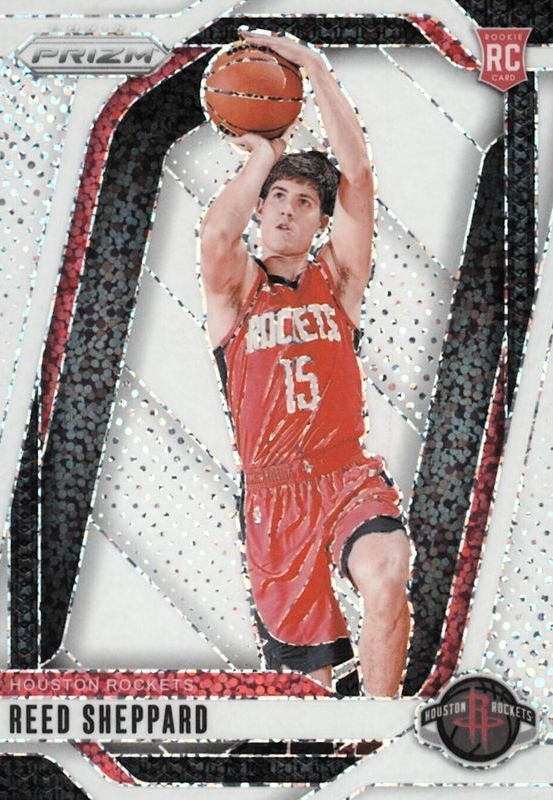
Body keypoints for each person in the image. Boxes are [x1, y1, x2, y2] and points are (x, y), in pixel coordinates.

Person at [200, 29, 411, 696]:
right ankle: (329, 745)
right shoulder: (235, 290)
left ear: (321, 221)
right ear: (259, 207)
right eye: (278, 198)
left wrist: (315, 69)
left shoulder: (336, 279)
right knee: (307, 699)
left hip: (345, 473)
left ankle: (379, 738)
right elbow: (216, 233)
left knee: (387, 574)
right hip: (273, 498)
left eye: (305, 202)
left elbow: (359, 176)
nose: (289, 211)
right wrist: (265, 154)